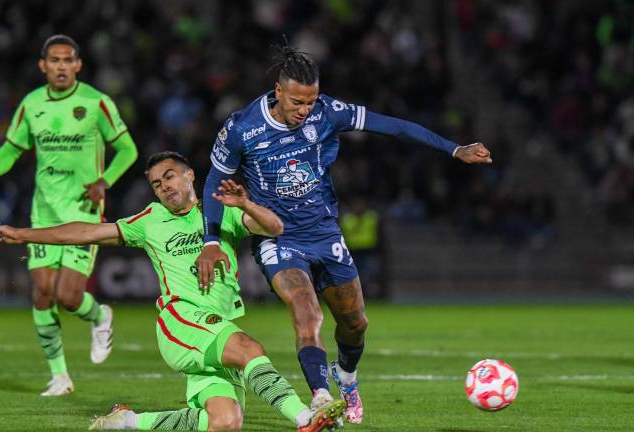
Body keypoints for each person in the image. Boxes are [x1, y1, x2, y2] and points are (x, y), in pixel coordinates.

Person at [196, 44, 493, 424]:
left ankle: (346, 377)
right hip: (278, 238)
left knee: (355, 324)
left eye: (311, 101)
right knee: (306, 312)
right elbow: (214, 183)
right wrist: (211, 240)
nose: (305, 111)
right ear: (279, 90)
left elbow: (395, 126)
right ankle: (321, 398)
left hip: (323, 232)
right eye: (297, 102)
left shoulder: (328, 112)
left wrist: (454, 150)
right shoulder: (241, 127)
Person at [0, 152, 346, 431]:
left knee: (225, 421)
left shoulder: (218, 212)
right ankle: (305, 418)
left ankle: (129, 423)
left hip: (217, 326)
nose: (164, 186)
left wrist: (246, 204)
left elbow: (275, 226)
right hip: (182, 320)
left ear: (190, 175)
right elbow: (86, 232)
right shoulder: (150, 220)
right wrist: (22, 233)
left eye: (169, 176)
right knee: (249, 349)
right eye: (157, 183)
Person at [0, 35, 139, 396]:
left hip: (83, 212)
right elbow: (13, 148)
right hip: (44, 211)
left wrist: (104, 181)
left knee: (68, 297)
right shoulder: (31, 104)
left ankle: (99, 316)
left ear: (78, 65)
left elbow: (128, 150)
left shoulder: (96, 102)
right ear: (43, 66)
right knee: (42, 293)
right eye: (54, 60)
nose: (61, 66)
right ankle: (59, 377)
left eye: (68, 60)